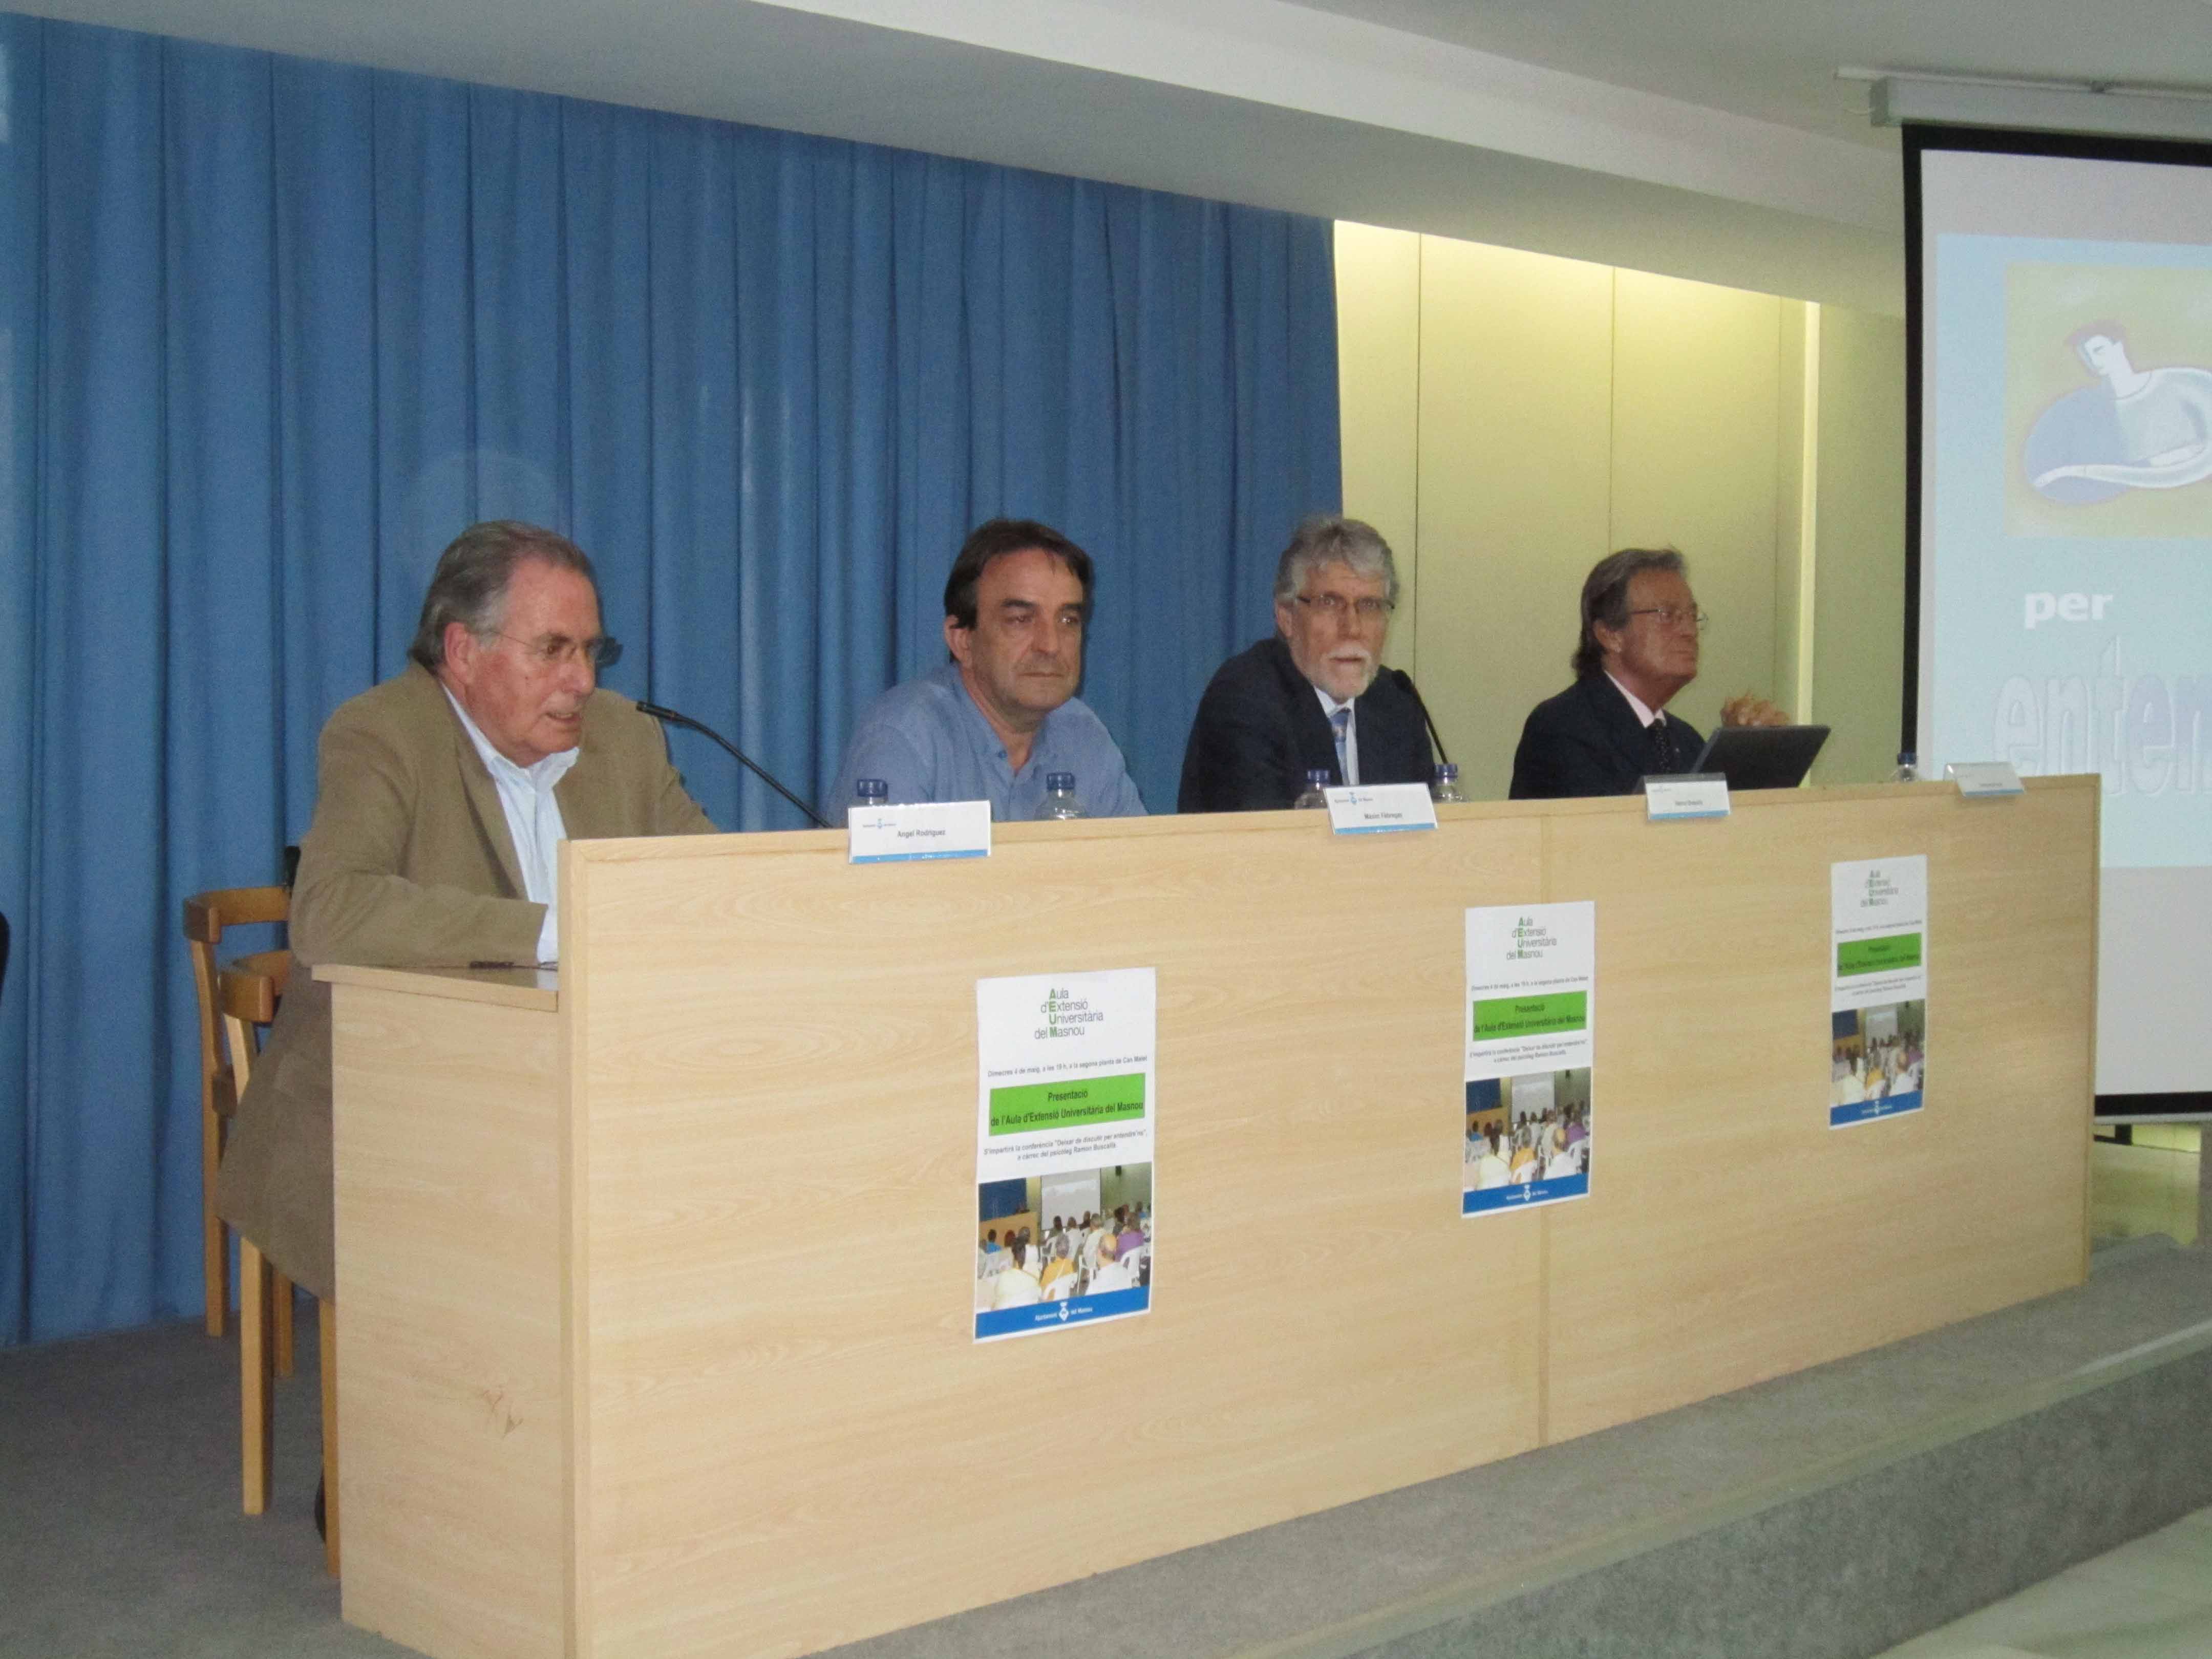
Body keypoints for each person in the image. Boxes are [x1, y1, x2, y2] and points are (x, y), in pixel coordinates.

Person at [214, 521, 717, 1307]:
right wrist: (557, 931)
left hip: (591, 1102)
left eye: (592, 650)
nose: (583, 680)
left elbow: (707, 884)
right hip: (407, 1114)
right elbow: (332, 910)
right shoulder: (382, 733)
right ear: (462, 651)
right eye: (553, 649)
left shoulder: (623, 737)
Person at [827, 518, 1145, 819]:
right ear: (963, 641)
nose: (1050, 645)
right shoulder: (904, 738)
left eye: (1068, 620)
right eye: (1021, 620)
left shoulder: (1084, 736)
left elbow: (1145, 859)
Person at [1177, 515, 1436, 812]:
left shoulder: (1397, 703)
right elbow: (1265, 833)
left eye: (1369, 606)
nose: (1352, 628)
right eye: (1330, 603)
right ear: (1287, 616)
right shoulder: (1244, 699)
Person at [1508, 547, 1788, 799]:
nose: (1689, 631)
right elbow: (1605, 832)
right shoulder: (1563, 727)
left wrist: (1743, 753)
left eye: (1692, 616)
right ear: (1610, 634)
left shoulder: (1686, 740)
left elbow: (1719, 830)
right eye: (1667, 615)